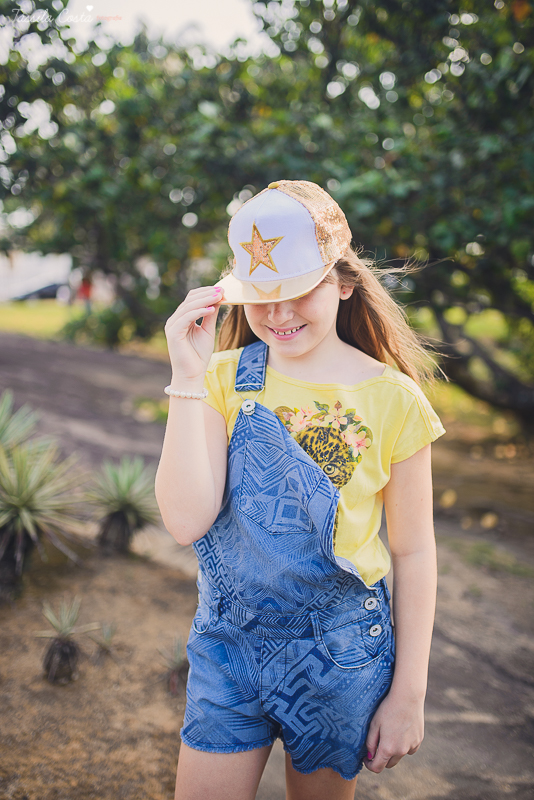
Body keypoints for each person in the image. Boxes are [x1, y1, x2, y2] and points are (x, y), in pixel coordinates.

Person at [155, 180, 446, 800]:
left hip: (340, 657)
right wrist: (186, 375)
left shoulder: (394, 400)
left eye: (298, 292)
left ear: (343, 282)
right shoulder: (220, 380)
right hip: (226, 647)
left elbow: (414, 552)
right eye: (261, 297)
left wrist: (409, 694)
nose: (279, 314)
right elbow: (185, 522)